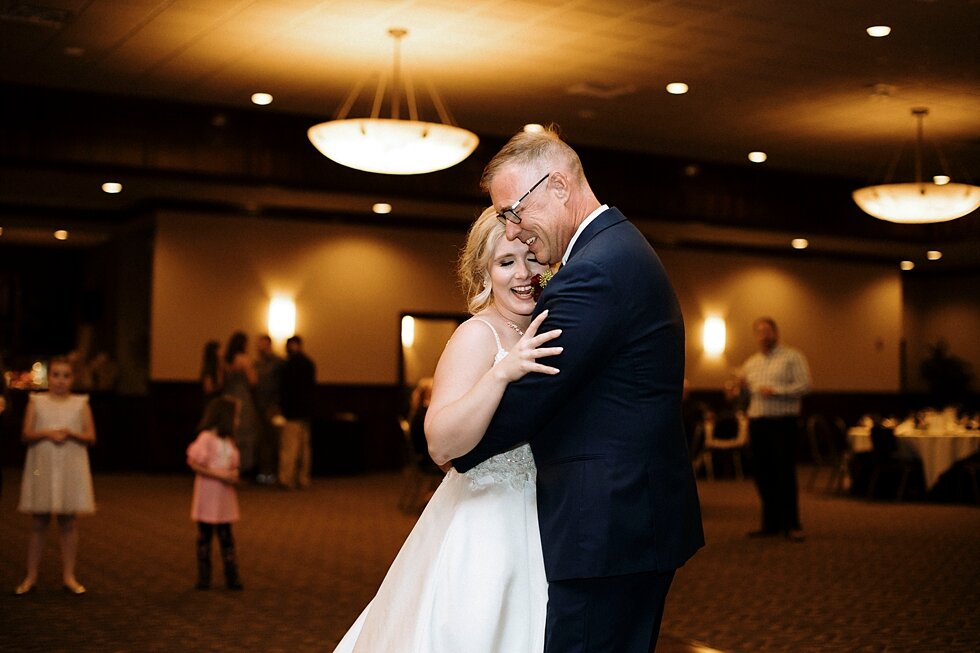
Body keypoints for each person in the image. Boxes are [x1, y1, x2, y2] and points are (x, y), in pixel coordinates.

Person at [451, 127, 704, 653]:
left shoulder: (596, 271)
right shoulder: (615, 250)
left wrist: (453, 444)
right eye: (504, 220)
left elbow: (536, 395)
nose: (515, 232)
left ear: (560, 187)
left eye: (514, 211)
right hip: (627, 520)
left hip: (607, 528)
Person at [333, 207, 562, 652]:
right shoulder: (478, 335)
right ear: (484, 272)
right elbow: (438, 443)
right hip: (485, 523)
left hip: (544, 518)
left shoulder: (547, 329)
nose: (523, 274)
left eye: (532, 258)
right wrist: (500, 375)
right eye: (506, 262)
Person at [15, 356, 97, 595]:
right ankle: (31, 576)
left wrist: (71, 433)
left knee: (68, 521)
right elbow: (26, 434)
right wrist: (47, 433)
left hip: (70, 464)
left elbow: (91, 436)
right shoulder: (36, 401)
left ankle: (69, 576)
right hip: (43, 464)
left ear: (73, 379)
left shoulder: (81, 403)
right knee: (39, 521)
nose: (61, 380)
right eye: (56, 375)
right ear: (49, 377)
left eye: (66, 375)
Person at [731, 316, 811, 542]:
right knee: (762, 474)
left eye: (767, 331)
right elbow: (744, 398)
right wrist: (738, 391)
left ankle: (792, 524)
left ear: (776, 333)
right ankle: (771, 523)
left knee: (784, 473)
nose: (764, 336)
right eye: (759, 332)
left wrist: (776, 391)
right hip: (758, 422)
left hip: (782, 422)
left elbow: (806, 386)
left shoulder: (792, 357)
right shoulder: (751, 363)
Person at [186, 395, 243, 590]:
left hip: (224, 496)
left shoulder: (228, 440)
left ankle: (232, 574)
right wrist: (220, 475)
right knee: (204, 536)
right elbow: (195, 464)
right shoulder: (206, 438)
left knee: (227, 536)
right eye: (236, 416)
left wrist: (233, 474)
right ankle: (204, 576)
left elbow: (232, 463)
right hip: (208, 494)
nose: (238, 421)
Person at [278, 335, 316, 490]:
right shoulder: (309, 363)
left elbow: (286, 390)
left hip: (292, 411)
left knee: (290, 447)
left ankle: (287, 478)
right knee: (304, 448)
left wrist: (282, 407)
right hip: (306, 411)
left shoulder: (289, 364)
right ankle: (303, 478)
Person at [222, 331, 261, 476]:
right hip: (242, 397)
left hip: (227, 397)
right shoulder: (244, 359)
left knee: (229, 432)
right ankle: (241, 467)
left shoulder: (225, 360)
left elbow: (221, 381)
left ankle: (227, 465)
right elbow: (253, 381)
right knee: (244, 432)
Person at [253, 334, 284, 485]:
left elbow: (282, 385)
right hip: (258, 406)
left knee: (275, 440)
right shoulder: (256, 364)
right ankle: (264, 475)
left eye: (263, 344)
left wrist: (277, 405)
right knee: (262, 442)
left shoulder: (278, 363)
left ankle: (278, 473)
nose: (260, 348)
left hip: (273, 407)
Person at [199, 340, 223, 405]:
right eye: (219, 350)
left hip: (216, 401)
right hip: (211, 402)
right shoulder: (209, 368)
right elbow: (208, 388)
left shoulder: (217, 366)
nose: (222, 352)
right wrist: (220, 386)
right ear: (215, 352)